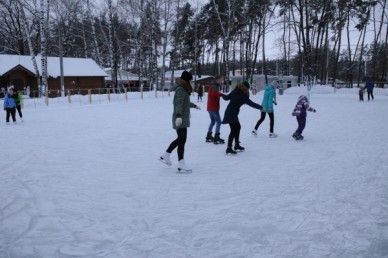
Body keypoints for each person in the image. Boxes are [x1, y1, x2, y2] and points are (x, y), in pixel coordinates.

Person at [160, 71, 200, 172]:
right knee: (182, 140)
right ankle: (180, 162)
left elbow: (185, 103)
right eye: (190, 79)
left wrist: (194, 105)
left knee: (181, 140)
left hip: (182, 118)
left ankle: (166, 155)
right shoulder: (181, 89)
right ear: (187, 79)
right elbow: (178, 103)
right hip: (180, 119)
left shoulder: (183, 89)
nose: (191, 81)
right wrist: (178, 116)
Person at [222, 81, 263, 154]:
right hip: (232, 113)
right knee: (234, 130)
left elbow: (226, 98)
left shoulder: (235, 91)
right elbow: (251, 103)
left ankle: (236, 145)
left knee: (237, 127)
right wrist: (261, 107)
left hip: (230, 112)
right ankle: (229, 148)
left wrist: (221, 95)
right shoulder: (243, 95)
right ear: (246, 88)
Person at [206, 75, 225, 144]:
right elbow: (214, 94)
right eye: (220, 80)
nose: (221, 81)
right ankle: (216, 137)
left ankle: (209, 136)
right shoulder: (214, 86)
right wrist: (222, 95)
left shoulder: (213, 85)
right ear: (217, 80)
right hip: (213, 108)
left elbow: (214, 94)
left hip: (210, 107)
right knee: (219, 122)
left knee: (213, 121)